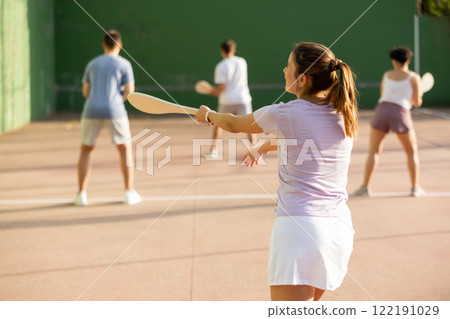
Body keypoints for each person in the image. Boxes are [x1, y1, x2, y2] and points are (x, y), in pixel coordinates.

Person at [196, 42, 357, 301]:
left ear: (302, 80)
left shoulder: (285, 113)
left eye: (289, 66)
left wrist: (208, 115)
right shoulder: (344, 112)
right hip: (338, 230)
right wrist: (265, 146)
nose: (284, 70)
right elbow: (308, 142)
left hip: (300, 230)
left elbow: (234, 124)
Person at [74, 30, 141, 206]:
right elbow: (130, 92)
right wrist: (116, 99)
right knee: (124, 149)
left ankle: (81, 195)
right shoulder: (125, 64)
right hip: (115, 110)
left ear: (104, 45)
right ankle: (128, 193)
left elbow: (85, 92)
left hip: (91, 110)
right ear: (120, 46)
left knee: (86, 149)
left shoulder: (92, 63)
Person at [353, 47, 424, 197]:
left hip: (382, 110)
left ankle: (365, 187)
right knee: (411, 152)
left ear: (394, 61)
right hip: (400, 112)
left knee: (374, 151)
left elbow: (384, 94)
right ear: (408, 61)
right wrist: (417, 98)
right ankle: (415, 188)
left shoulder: (387, 75)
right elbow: (417, 102)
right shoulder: (414, 77)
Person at [206, 40, 255, 157]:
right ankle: (254, 151)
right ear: (233, 50)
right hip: (243, 99)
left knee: (217, 123)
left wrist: (213, 92)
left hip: (227, 100)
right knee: (250, 125)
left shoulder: (220, 66)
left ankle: (213, 150)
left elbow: (222, 87)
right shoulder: (242, 62)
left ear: (222, 51)